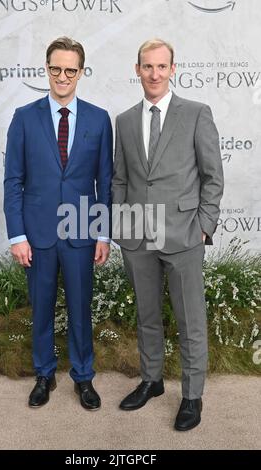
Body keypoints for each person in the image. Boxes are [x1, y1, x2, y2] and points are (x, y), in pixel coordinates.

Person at [112, 39, 224, 430]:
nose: (154, 74)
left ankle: (192, 396)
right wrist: (121, 227)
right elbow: (120, 178)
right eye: (147, 67)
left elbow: (212, 177)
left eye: (162, 66)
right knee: (147, 316)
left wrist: (205, 226)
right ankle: (152, 380)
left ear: (173, 69)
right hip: (137, 238)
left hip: (184, 236)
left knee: (190, 319)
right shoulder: (124, 121)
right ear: (137, 69)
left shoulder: (195, 114)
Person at [4, 37, 113, 410]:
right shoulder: (24, 117)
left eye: (70, 70)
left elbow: (105, 181)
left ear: (81, 72)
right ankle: (44, 374)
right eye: (55, 69)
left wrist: (103, 232)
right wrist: (17, 234)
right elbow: (13, 181)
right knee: (42, 307)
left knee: (81, 308)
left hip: (82, 230)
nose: (62, 76)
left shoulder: (100, 119)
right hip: (37, 234)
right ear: (46, 69)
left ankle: (83, 377)